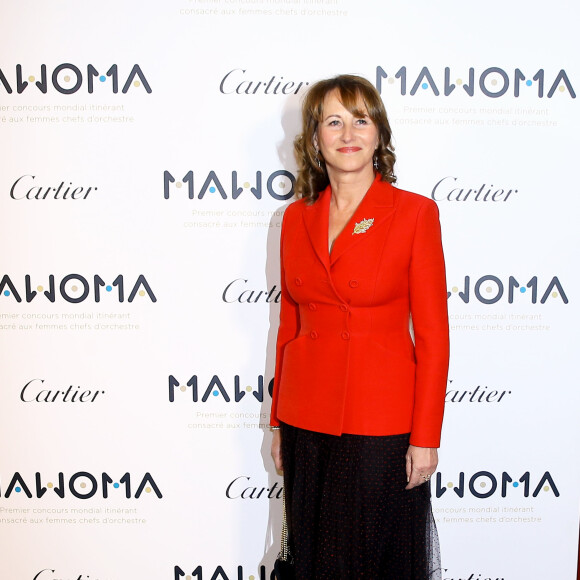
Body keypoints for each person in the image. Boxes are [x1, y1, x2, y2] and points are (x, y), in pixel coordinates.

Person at [269, 74, 449, 579]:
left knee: (369, 563)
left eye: (360, 120)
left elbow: (433, 336)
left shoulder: (414, 214)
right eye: (333, 121)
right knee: (313, 558)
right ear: (315, 136)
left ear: (378, 134)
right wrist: (280, 420)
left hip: (380, 424)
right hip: (306, 419)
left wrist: (426, 434)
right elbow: (290, 324)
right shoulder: (295, 218)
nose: (348, 132)